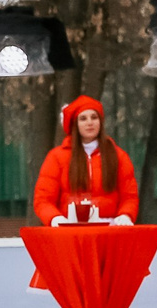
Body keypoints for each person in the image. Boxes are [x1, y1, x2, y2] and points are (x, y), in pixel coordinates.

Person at [30, 96, 138, 225]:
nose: (89, 122)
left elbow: (130, 196)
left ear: (100, 122)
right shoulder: (56, 157)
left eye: (94, 117)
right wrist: (55, 219)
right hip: (70, 229)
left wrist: (125, 215)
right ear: (74, 124)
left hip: (110, 228)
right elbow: (43, 200)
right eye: (83, 118)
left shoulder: (118, 156)